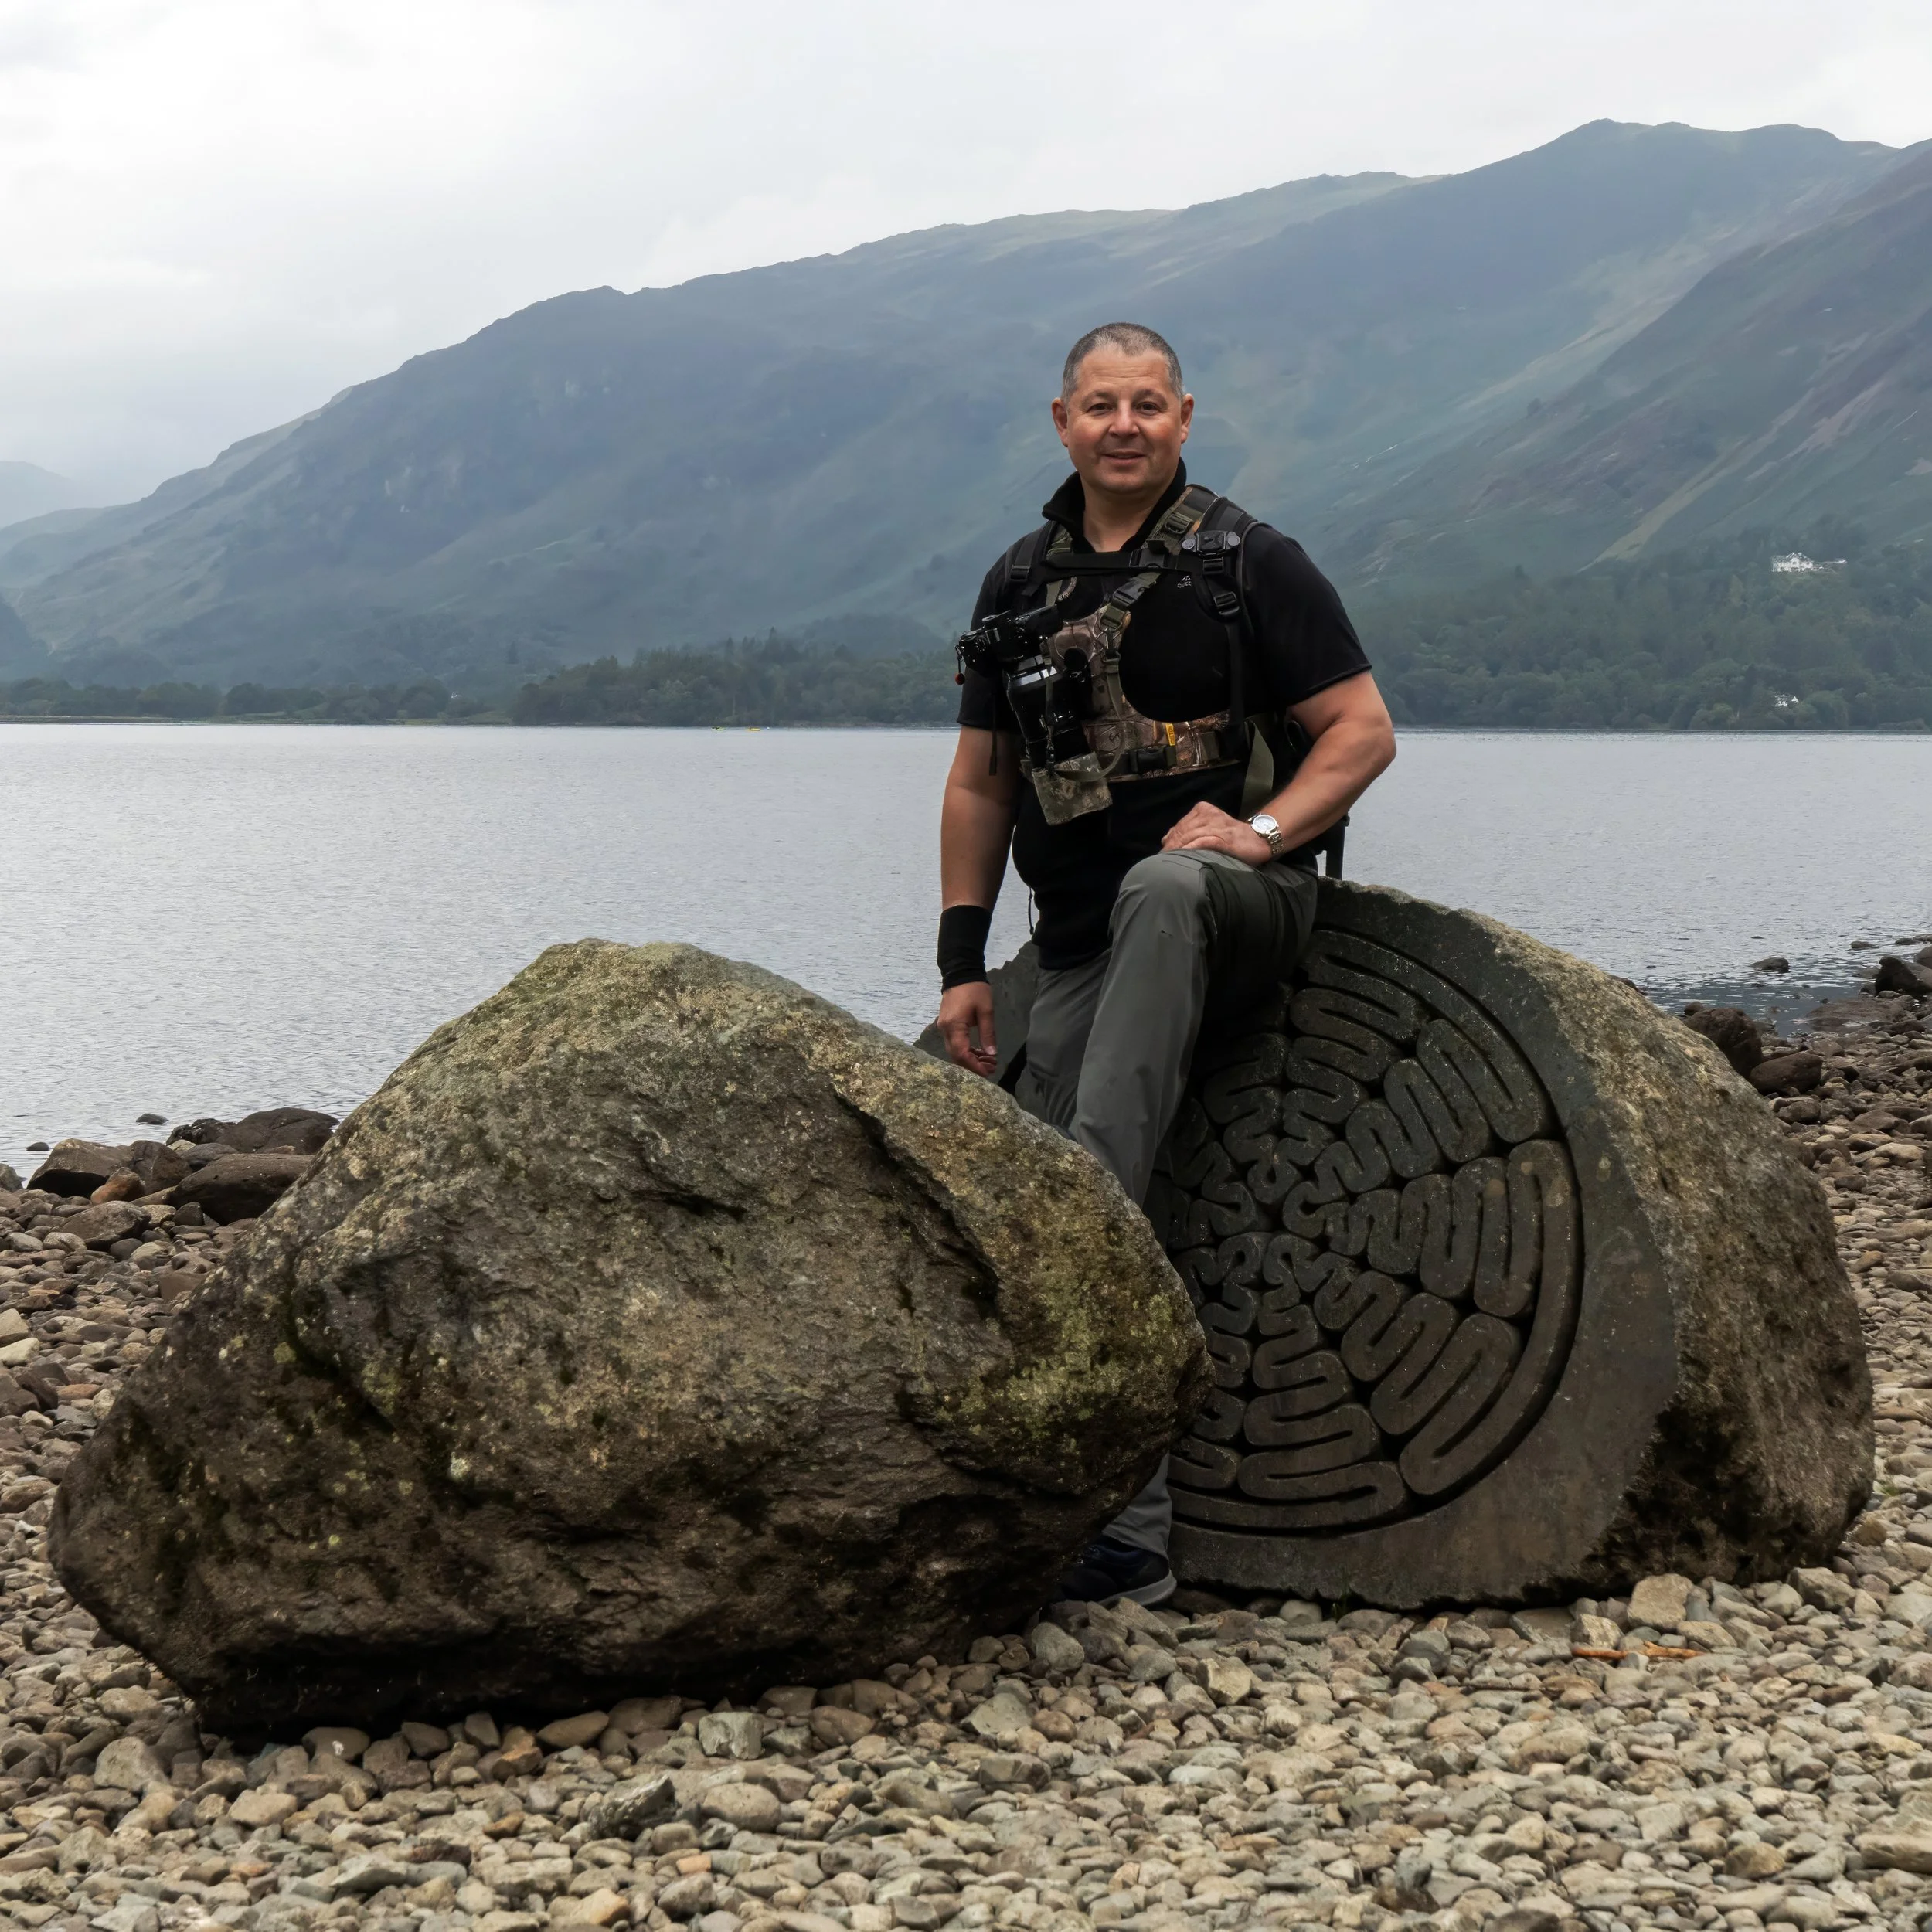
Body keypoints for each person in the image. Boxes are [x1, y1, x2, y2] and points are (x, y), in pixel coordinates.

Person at [934, 321, 1396, 1607]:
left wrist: (1258, 832)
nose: (1123, 424)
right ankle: (1122, 1535)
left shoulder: (1253, 562)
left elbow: (1361, 732)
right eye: (1099, 405)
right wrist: (964, 961)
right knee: (1053, 1200)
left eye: (1147, 404)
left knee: (1092, 1170)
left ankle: (1097, 1193)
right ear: (1061, 424)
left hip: (1236, 906)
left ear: (1185, 418)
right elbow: (980, 782)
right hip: (1083, 941)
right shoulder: (1016, 581)